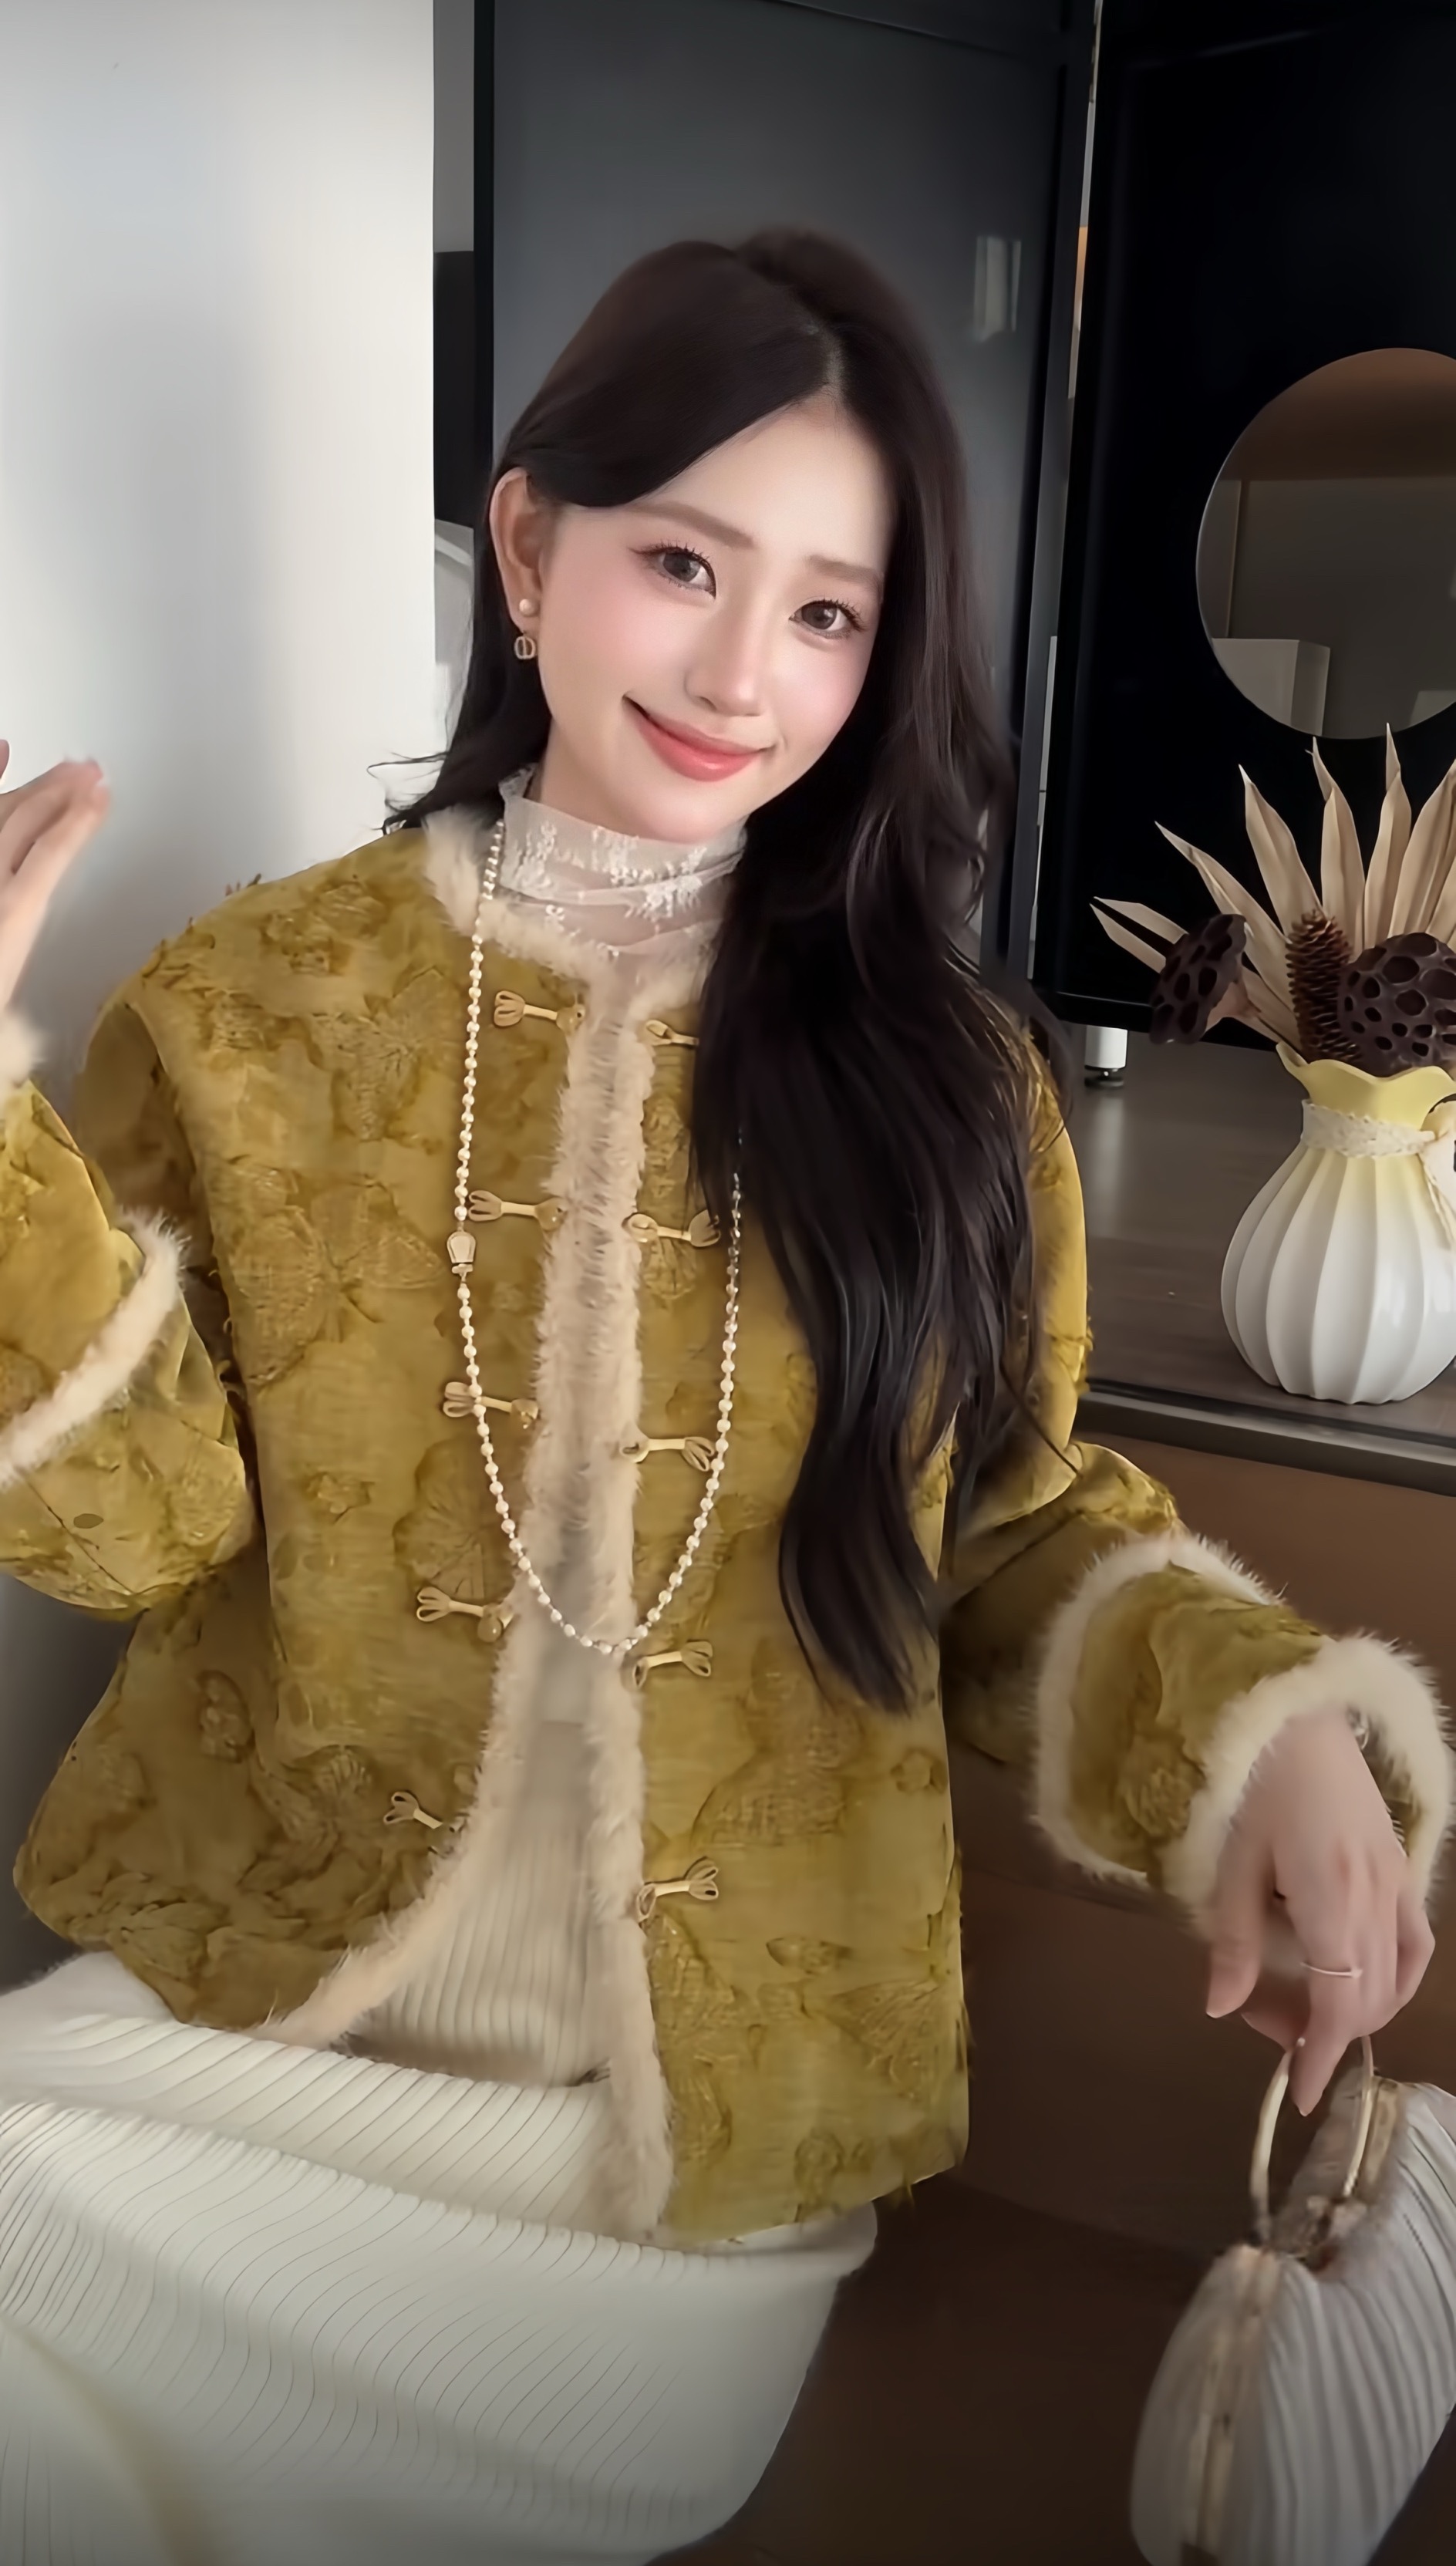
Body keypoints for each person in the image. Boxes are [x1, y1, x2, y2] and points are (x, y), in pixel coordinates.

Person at [0, 228, 1447, 2566]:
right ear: (529, 546)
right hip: (238, 2024)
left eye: (830, 612)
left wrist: (1266, 1725)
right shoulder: (250, 1005)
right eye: (684, 561)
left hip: (675, 2163)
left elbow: (1006, 1535)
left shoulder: (950, 1083)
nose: (743, 672)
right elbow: (141, 1525)